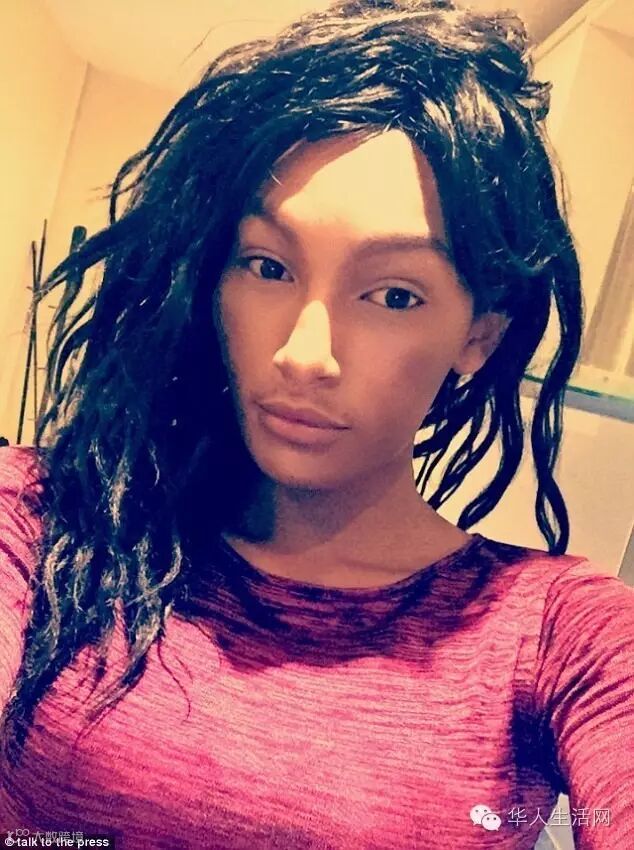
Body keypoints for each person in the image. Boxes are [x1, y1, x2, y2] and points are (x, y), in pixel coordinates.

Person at [1, 0, 632, 847]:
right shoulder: (46, 522)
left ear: (479, 334)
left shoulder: (558, 632)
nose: (303, 355)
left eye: (393, 295)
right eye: (268, 267)